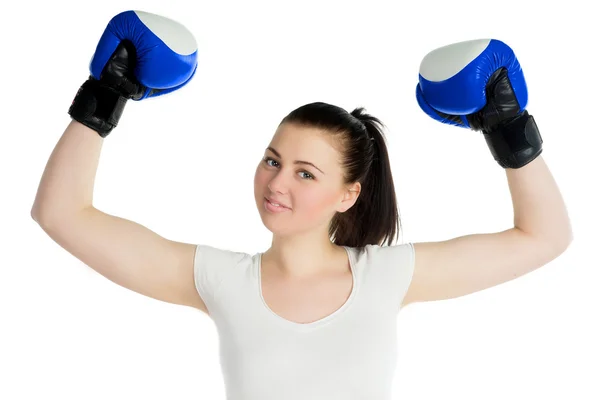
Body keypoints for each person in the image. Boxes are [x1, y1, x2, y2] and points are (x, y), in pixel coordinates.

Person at [30, 10, 572, 400]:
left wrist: (509, 130)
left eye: (305, 173)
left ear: (348, 194)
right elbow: (61, 214)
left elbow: (544, 237)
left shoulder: (386, 276)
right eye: (272, 160)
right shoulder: (220, 279)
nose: (276, 182)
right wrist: (105, 98)